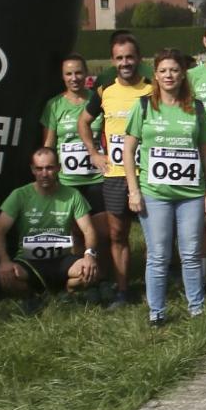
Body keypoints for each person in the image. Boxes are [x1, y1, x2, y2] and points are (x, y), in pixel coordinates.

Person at [122, 47, 206, 325]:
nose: (169, 75)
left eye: (174, 70)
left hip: (191, 194)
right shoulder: (143, 106)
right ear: (155, 74)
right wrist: (134, 190)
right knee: (158, 255)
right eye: (163, 70)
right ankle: (157, 312)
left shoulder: (195, 107)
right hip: (154, 194)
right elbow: (129, 150)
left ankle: (196, 308)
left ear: (183, 74)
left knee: (190, 253)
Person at [79, 31, 150, 308]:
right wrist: (94, 153)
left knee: (152, 236)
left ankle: (153, 284)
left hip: (147, 175)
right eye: (120, 58)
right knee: (118, 234)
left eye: (130, 57)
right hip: (115, 176)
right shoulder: (104, 90)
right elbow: (83, 122)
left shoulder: (151, 89)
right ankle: (122, 291)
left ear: (139, 58)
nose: (125, 63)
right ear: (113, 60)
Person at [0, 147, 99, 303]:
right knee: (7, 278)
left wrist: (89, 256)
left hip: (62, 259)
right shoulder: (19, 195)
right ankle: (32, 298)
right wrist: (4, 261)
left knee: (90, 272)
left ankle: (68, 292)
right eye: (39, 168)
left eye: (49, 168)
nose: (44, 174)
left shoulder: (72, 195)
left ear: (58, 168)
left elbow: (89, 230)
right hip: (29, 261)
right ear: (32, 170)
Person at [41, 54, 108, 269]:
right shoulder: (54, 105)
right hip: (68, 180)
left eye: (78, 72)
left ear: (87, 73)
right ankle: (83, 273)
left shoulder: (98, 100)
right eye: (68, 74)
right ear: (62, 77)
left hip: (97, 177)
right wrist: (47, 177)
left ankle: (103, 274)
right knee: (77, 233)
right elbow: (49, 144)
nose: (74, 78)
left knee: (102, 231)